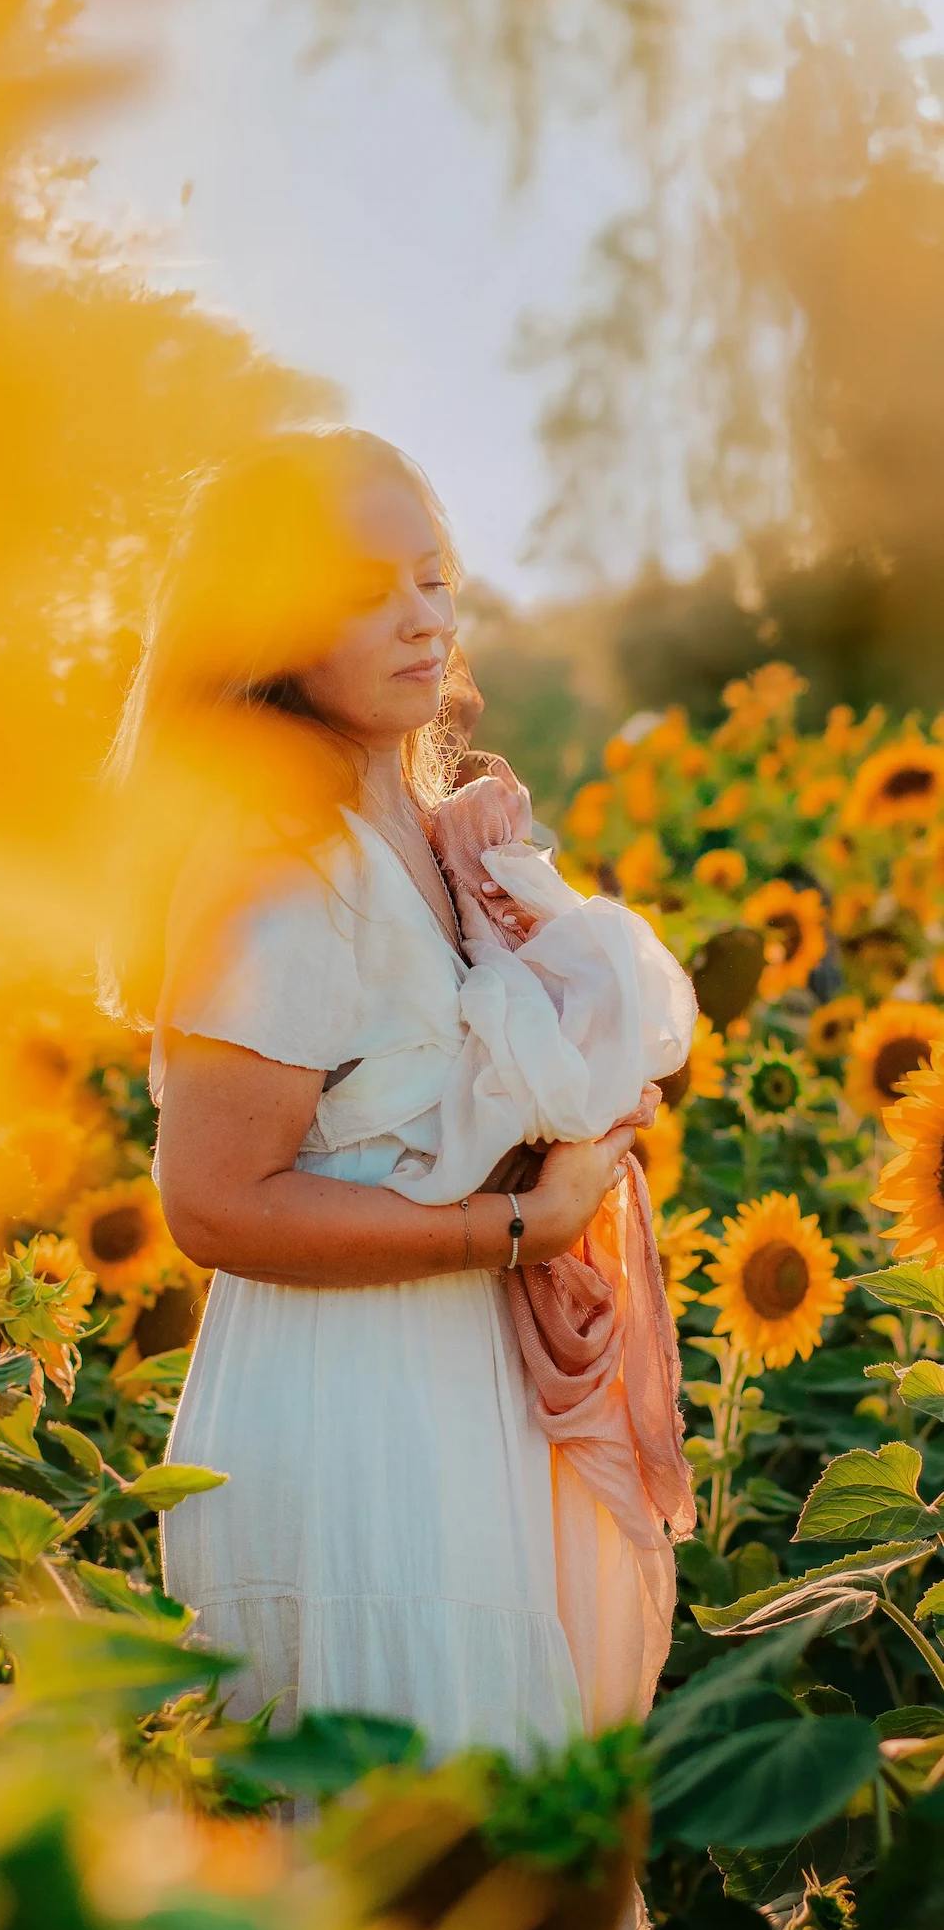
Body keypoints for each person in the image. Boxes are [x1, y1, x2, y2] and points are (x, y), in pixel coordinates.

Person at [106, 427, 693, 1760]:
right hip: (349, 1417)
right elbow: (210, 1197)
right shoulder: (280, 855)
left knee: (475, 1845)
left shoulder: (419, 832)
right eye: (365, 590)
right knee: (405, 1854)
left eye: (432, 577)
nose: (420, 617)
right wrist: (512, 1229)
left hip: (443, 1388)